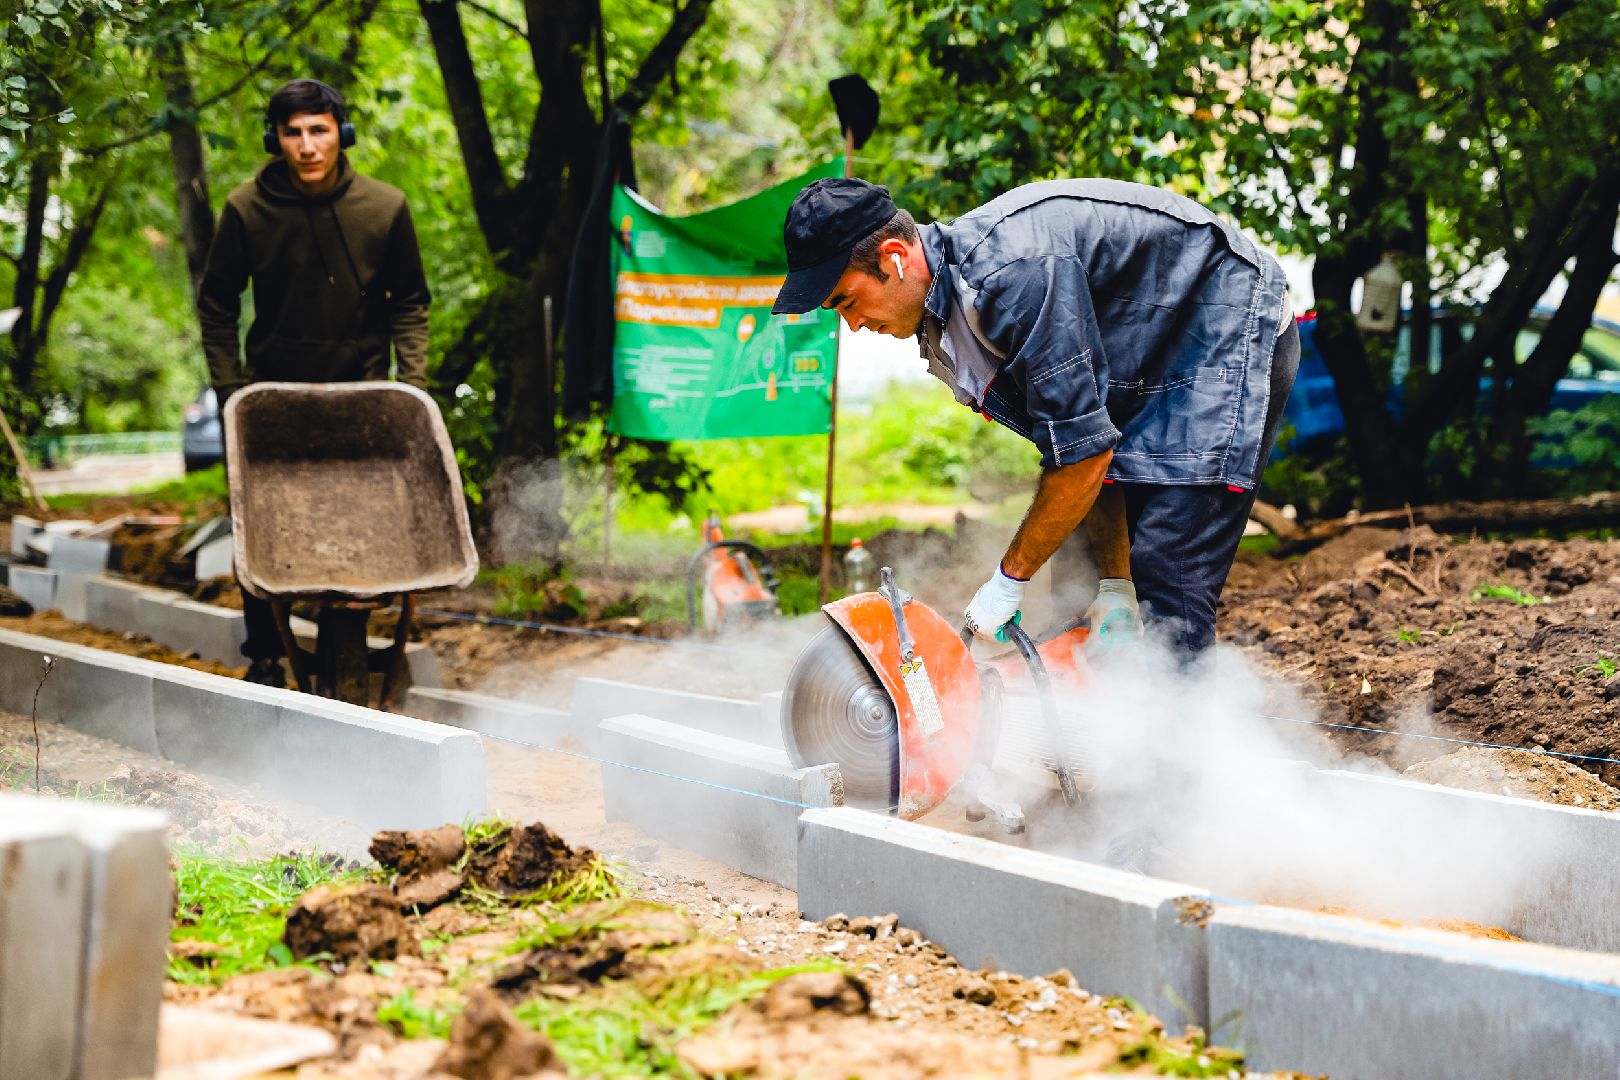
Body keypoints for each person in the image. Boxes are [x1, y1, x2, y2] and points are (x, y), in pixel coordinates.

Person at [771, 177, 1300, 657]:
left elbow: (1086, 456)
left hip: (1226, 324)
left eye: (845, 301)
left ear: (893, 259)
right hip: (1150, 357)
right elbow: (1084, 438)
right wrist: (1114, 586)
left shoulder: (1010, 278)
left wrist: (1008, 580)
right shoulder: (948, 321)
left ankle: (1178, 758)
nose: (854, 325)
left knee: (1169, 566)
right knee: (1082, 570)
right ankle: (1106, 737)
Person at [197, 78, 432, 686]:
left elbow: (409, 300)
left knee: (367, 517)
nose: (307, 145)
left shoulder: (384, 207)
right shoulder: (246, 209)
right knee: (261, 524)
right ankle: (268, 656)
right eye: (293, 132)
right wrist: (230, 394)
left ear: (341, 133)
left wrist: (414, 385)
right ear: (274, 138)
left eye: (319, 130)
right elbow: (217, 302)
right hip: (274, 398)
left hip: (361, 393)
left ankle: (365, 648)